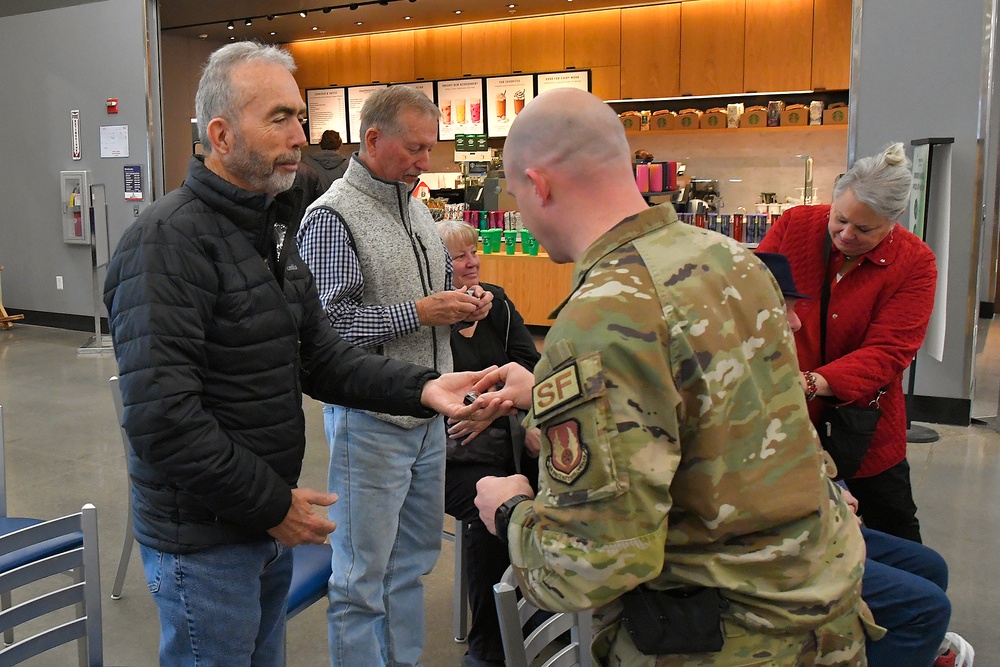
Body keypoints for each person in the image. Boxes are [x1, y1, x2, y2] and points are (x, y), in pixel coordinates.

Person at [102, 42, 485, 667]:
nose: (301, 136)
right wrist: (274, 505)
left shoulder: (267, 232)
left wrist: (421, 387)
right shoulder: (166, 243)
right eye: (280, 118)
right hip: (206, 540)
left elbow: (322, 357)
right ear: (221, 135)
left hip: (259, 519)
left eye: (300, 118)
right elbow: (162, 418)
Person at [469, 87, 874, 666]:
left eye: (517, 195)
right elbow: (714, 413)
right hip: (820, 607)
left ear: (539, 184)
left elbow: (588, 568)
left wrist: (509, 510)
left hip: (719, 635)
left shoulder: (599, 318)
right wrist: (545, 396)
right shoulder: (732, 259)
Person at [296, 85, 492, 667]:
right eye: (415, 149)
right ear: (373, 139)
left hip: (428, 416)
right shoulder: (332, 217)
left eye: (430, 150)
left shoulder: (412, 205)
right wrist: (421, 312)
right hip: (371, 422)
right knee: (361, 580)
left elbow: (422, 299)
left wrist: (462, 303)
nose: (424, 162)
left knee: (410, 568)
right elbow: (326, 330)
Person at [758, 252, 961, 667]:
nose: (798, 324)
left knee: (929, 567)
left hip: (807, 516)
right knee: (927, 607)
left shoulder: (771, 370)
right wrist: (828, 502)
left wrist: (834, 489)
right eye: (788, 309)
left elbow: (801, 451)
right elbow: (743, 487)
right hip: (776, 539)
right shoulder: (728, 385)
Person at [757, 143, 937, 542]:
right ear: (834, 199)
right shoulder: (796, 226)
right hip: (788, 419)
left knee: (896, 530)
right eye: (839, 219)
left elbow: (889, 352)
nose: (846, 234)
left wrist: (812, 383)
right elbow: (749, 298)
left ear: (893, 221)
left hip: (862, 426)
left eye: (864, 229)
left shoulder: (915, 263)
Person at [436, 219, 541, 667]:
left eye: (474, 251)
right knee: (492, 510)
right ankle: (490, 647)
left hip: (507, 441)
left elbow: (531, 363)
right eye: (460, 256)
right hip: (448, 455)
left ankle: (539, 612)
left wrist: (500, 406)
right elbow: (428, 386)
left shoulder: (498, 303)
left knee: (553, 486)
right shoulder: (431, 318)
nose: (472, 261)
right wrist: (491, 401)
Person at [295, 129, 349, 211]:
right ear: (340, 144)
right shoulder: (348, 166)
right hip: (341, 212)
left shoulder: (307, 164)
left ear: (321, 144)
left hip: (315, 212)